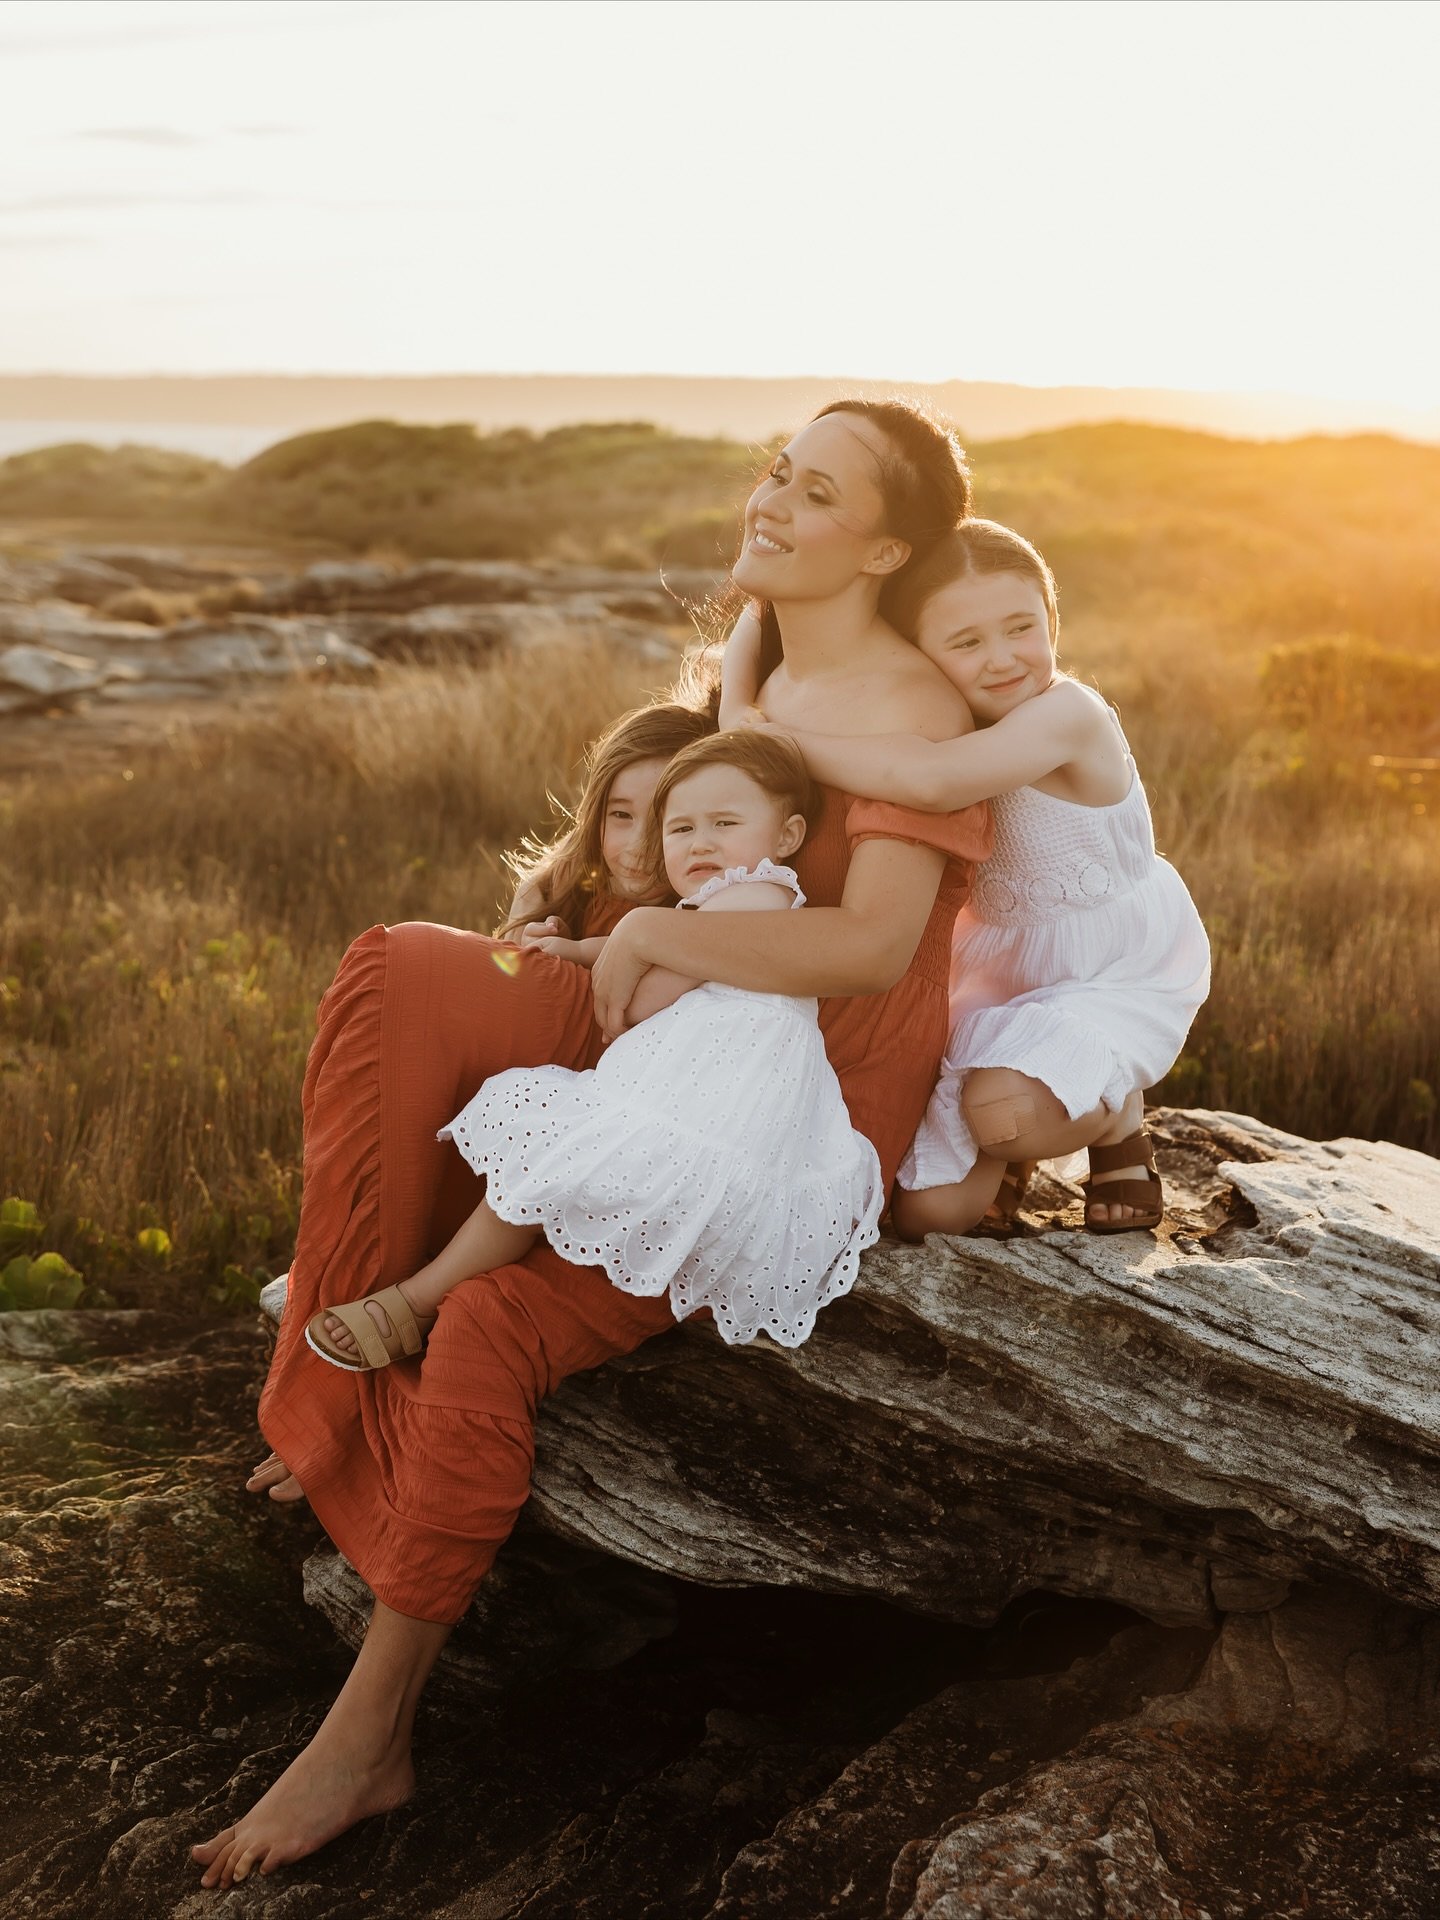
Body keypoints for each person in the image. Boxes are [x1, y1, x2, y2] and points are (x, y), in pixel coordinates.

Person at [194, 397, 990, 1889]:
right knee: (403, 984)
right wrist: (615, 929)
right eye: (776, 470)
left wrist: (649, 935)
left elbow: (877, 950)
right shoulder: (759, 654)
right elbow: (685, 843)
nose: (773, 502)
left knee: (483, 1269)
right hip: (685, 1008)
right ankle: (326, 1379)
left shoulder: (911, 712)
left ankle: (368, 1734)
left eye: (816, 493)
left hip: (786, 1090)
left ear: (884, 546)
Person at [306, 731, 883, 1368]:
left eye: (725, 823)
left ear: (787, 837)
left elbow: (643, 998)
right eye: (681, 828)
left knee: (541, 1171)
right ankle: (418, 1300)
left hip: (711, 1100)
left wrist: (600, 961)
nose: (701, 843)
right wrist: (580, 951)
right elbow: (662, 947)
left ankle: (416, 1301)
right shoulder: (721, 902)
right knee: (545, 1178)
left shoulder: (753, 895)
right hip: (704, 1086)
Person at [733, 518, 1211, 1239]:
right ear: (917, 654)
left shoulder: (1066, 715)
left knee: (1005, 1118)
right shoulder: (939, 717)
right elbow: (755, 618)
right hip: (997, 967)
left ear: (1053, 621)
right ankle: (1022, 1139)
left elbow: (928, 781)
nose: (1001, 659)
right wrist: (744, 681)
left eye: (1021, 627)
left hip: (1106, 965)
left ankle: (1117, 1116)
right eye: (964, 643)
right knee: (929, 1213)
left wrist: (761, 733)